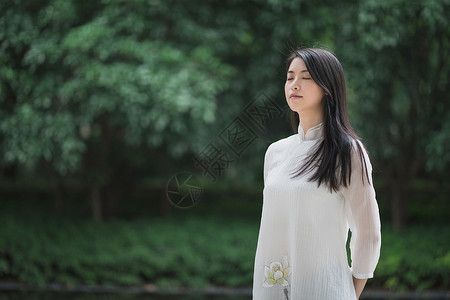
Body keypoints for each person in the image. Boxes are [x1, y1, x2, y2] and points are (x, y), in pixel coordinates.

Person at [252, 48, 381, 300]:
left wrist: (347, 292)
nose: (295, 85)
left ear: (327, 87)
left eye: (306, 77)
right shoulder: (276, 152)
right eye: (290, 77)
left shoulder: (348, 152)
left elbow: (368, 232)